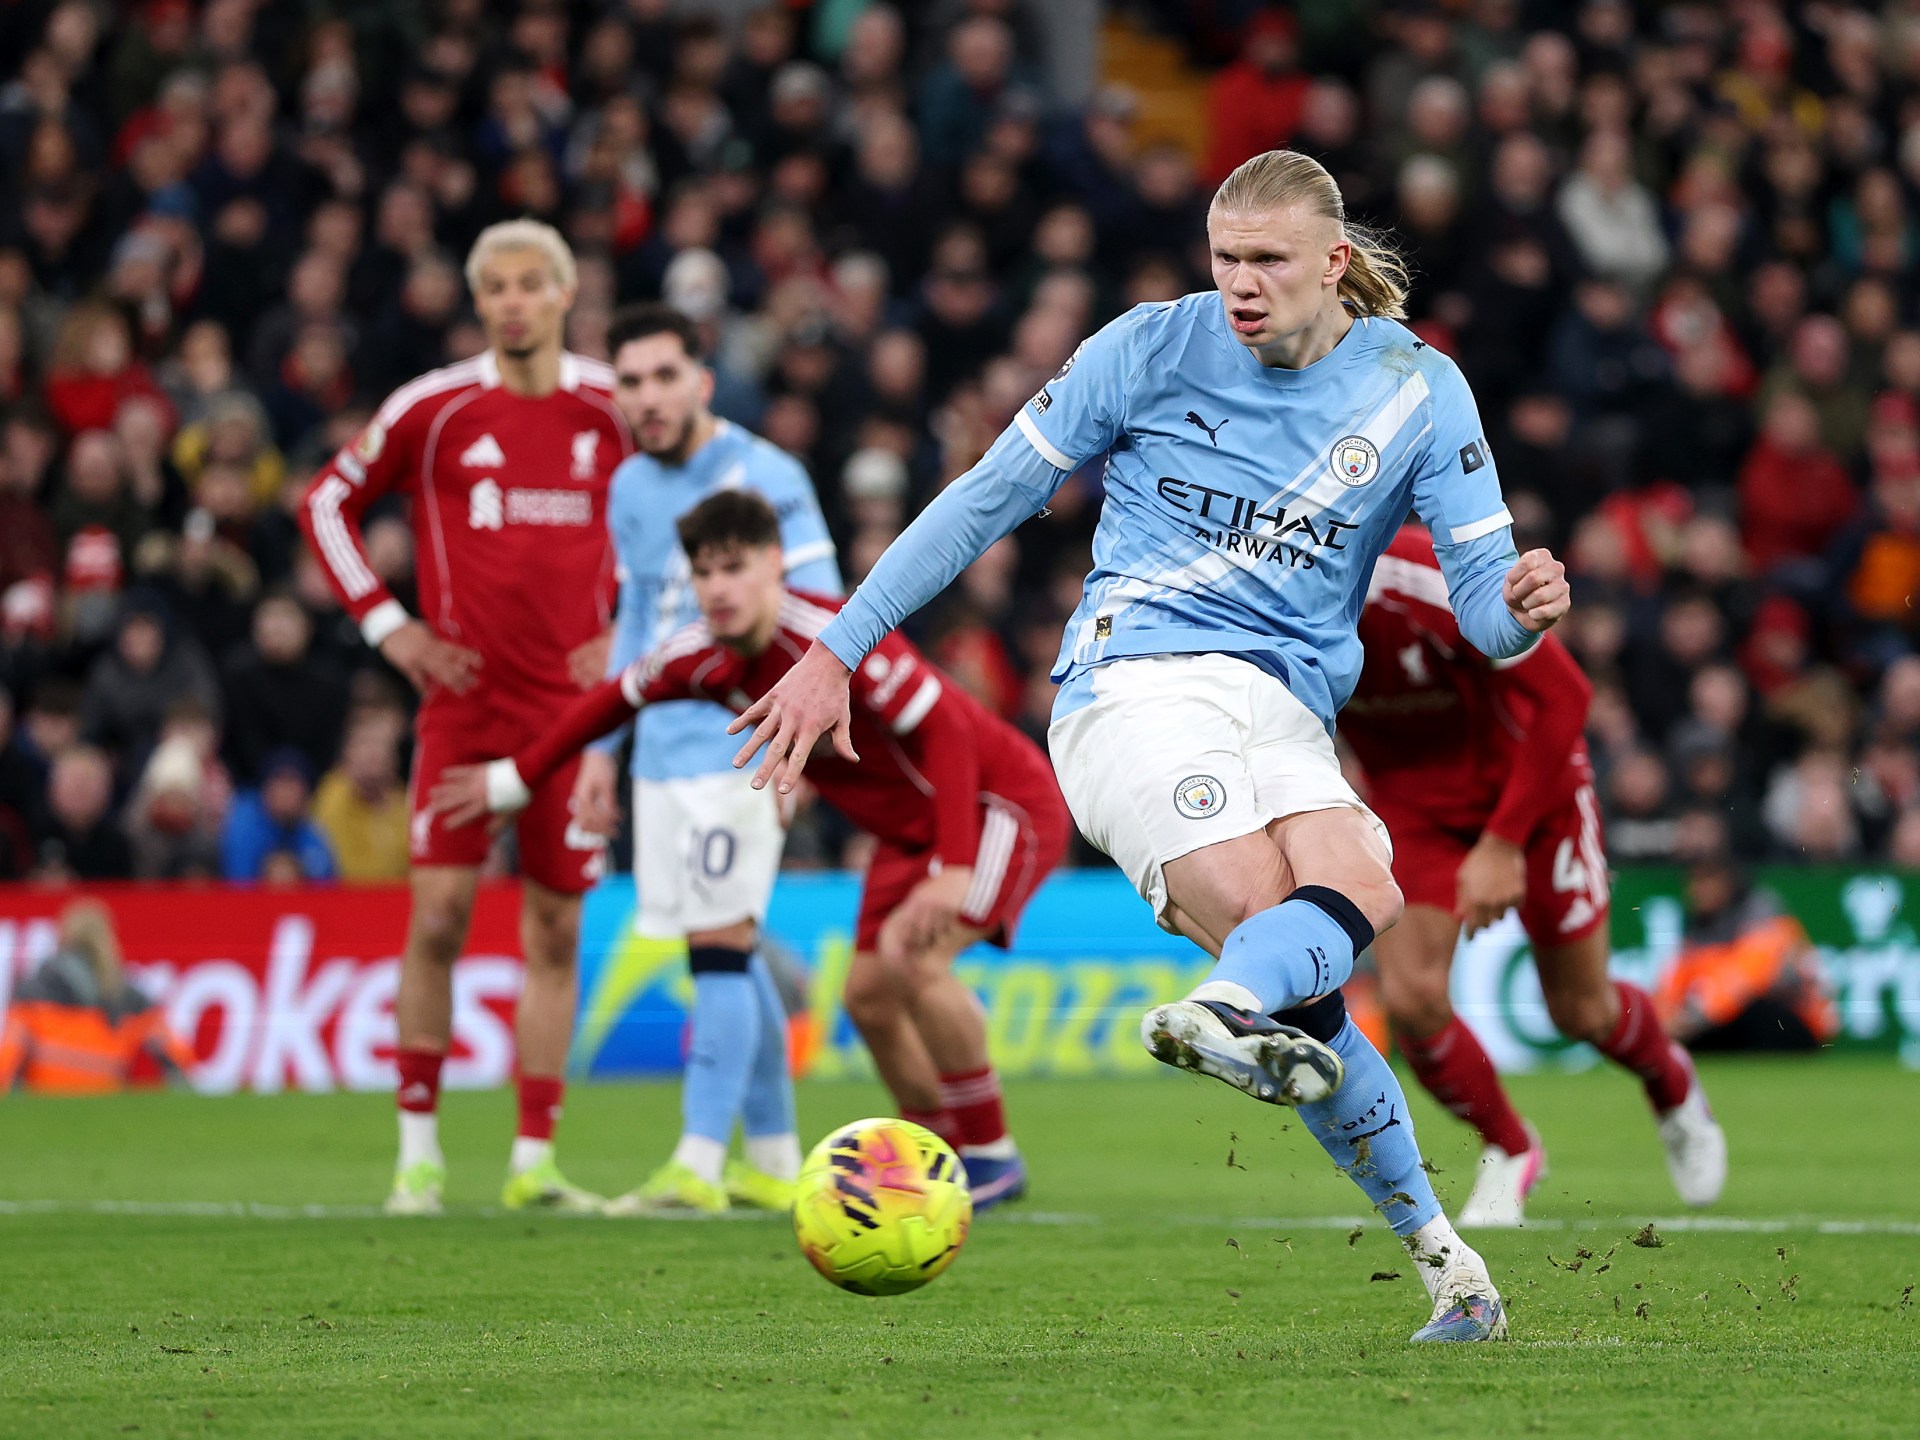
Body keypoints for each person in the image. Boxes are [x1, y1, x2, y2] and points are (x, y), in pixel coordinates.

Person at [728, 150, 1574, 1342]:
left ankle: (1452, 1273)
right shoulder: (1145, 346)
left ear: (1334, 262)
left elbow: (1484, 608)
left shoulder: (1418, 389)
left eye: (1268, 260)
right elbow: (984, 496)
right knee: (1265, 924)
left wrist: (1525, 611)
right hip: (1133, 684)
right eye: (1226, 257)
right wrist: (836, 650)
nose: (1240, 283)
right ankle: (1233, 1011)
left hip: (1285, 704)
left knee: (1352, 916)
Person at [431, 491, 1069, 1213]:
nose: (718, 588)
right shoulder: (701, 656)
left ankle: (990, 1155)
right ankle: (939, 1152)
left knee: (911, 956)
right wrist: (517, 777)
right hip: (909, 834)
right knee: (865, 998)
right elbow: (614, 698)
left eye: (735, 567)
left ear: (774, 565)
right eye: (704, 573)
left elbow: (946, 726)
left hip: (995, 805)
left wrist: (955, 868)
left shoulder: (831, 632)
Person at [297, 220, 631, 1217]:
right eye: (496, 287)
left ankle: (533, 1162)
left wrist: (629, 624)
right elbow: (325, 503)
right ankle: (417, 1159)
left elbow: (692, 513)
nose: (513, 301)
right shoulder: (434, 409)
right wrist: (388, 625)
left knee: (556, 932)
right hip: (463, 710)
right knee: (436, 918)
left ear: (565, 295)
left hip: (571, 719)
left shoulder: (615, 408)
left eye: (531, 284)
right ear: (478, 302)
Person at [1344, 524, 1727, 1227]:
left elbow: (1566, 700)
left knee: (1580, 1011)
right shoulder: (1266, 597)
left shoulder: (1421, 577)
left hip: (1533, 790)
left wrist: (1501, 845)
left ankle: (1671, 1083)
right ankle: (1512, 1147)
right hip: (1412, 804)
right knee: (1411, 998)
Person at [567, 304, 839, 1214]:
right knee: (726, 949)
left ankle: (695, 1160)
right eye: (630, 382)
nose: (646, 397)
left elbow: (825, 610)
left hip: (745, 741)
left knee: (720, 952)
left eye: (662, 376)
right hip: (661, 756)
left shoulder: (769, 476)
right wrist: (605, 746)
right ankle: (768, 1157)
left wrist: (797, 746)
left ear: (702, 380)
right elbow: (636, 625)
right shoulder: (631, 489)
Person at [0, 900, 194, 1094]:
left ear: (62, 936)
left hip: (44, 1110)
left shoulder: (32, 993)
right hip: (108, 1114)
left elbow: (6, 1066)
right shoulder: (129, 999)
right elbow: (179, 1061)